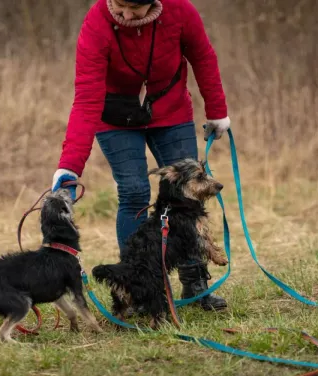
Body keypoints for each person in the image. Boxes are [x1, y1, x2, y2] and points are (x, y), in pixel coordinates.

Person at [50, 0, 231, 311]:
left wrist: (217, 112)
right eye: (118, 5)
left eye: (134, 8)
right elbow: (86, 98)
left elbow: (203, 58)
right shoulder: (98, 22)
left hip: (170, 111)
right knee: (133, 192)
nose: (124, 15)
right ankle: (136, 288)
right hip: (115, 118)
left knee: (186, 197)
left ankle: (194, 281)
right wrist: (69, 167)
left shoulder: (180, 12)